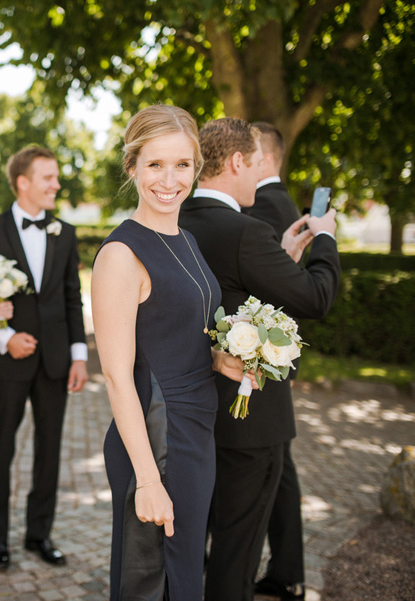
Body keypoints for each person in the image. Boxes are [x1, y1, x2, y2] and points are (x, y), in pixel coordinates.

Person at [92, 105, 254, 600]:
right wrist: (146, 480)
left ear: (197, 167)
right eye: (155, 164)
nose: (169, 179)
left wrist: (220, 360)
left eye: (182, 165)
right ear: (132, 167)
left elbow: (180, 334)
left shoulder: (187, 239)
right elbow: (119, 377)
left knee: (182, 577)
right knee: (152, 581)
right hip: (156, 440)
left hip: (195, 432)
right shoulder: (120, 255)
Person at [177, 118, 341, 601]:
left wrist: (282, 256)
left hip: (190, 410)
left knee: (191, 532)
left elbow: (231, 290)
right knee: (238, 544)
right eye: (255, 165)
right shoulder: (245, 231)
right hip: (249, 421)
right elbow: (315, 298)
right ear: (235, 162)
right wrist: (325, 238)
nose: (259, 176)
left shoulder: (176, 223)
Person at [0, 145, 88, 570]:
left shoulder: (65, 233)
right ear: (23, 182)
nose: (56, 184)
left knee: (49, 450)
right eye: (48, 177)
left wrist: (78, 356)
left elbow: (72, 297)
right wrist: (4, 338)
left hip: (55, 361)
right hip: (9, 360)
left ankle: (40, 534)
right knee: (1, 449)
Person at [246, 122, 309, 601]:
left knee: (271, 468)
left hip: (259, 356)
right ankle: (287, 569)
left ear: (263, 156)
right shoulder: (281, 203)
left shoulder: (263, 205)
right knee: (278, 466)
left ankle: (282, 570)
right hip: (270, 353)